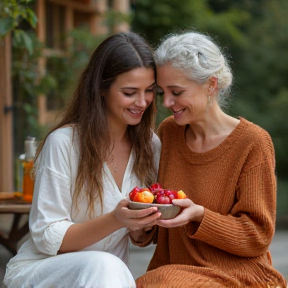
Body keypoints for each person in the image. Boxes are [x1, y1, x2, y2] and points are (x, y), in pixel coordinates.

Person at [2, 32, 162, 288]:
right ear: (101, 88)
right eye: (130, 92)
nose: (142, 102)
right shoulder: (64, 143)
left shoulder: (150, 146)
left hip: (108, 278)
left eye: (150, 91)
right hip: (45, 272)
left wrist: (141, 226)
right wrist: (115, 220)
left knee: (111, 268)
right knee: (105, 264)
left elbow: (139, 238)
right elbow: (46, 237)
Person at [132, 32, 287, 287]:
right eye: (162, 92)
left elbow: (257, 235)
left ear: (211, 85)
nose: (167, 102)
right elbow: (166, 220)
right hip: (173, 273)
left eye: (177, 92)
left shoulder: (253, 142)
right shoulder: (169, 133)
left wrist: (200, 215)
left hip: (238, 276)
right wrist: (142, 227)